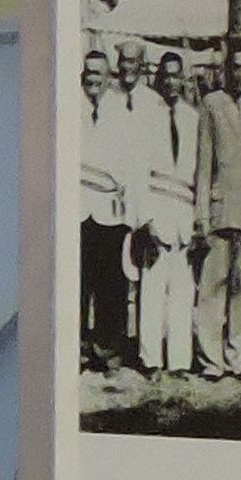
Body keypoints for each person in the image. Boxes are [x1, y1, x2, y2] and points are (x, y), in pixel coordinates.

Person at [194, 45, 241, 378]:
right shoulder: (212, 105)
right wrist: (201, 213)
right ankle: (212, 359)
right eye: (234, 68)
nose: (239, 74)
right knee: (213, 287)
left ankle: (238, 356)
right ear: (225, 71)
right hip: (219, 208)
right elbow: (203, 163)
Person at [131, 51, 199, 376]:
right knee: (153, 287)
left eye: (177, 75)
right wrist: (146, 220)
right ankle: (151, 359)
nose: (172, 81)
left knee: (182, 291)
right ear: (159, 78)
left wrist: (198, 220)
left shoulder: (193, 118)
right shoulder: (146, 115)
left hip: (184, 211)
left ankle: (180, 361)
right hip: (157, 205)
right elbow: (138, 169)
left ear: (184, 78)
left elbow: (198, 173)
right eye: (166, 75)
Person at [75, 47, 133, 372]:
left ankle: (108, 349)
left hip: (111, 213)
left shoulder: (121, 114)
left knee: (112, 286)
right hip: (80, 211)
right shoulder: (71, 109)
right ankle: (79, 347)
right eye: (88, 73)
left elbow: (130, 165)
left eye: (98, 73)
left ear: (109, 77)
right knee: (79, 284)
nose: (92, 78)